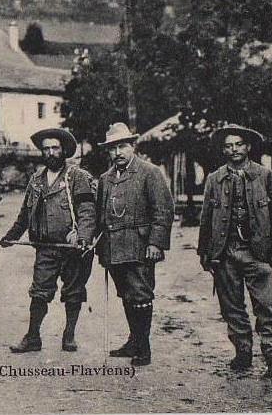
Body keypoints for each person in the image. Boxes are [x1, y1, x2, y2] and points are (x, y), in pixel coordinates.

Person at [198, 124, 272, 379]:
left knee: (265, 306)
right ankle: (243, 351)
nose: (233, 149)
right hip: (225, 252)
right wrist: (204, 252)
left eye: (238, 144)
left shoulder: (265, 176)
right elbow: (206, 218)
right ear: (223, 149)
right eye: (228, 145)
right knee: (232, 307)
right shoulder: (214, 179)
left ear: (248, 147)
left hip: (256, 253)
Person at [0, 128, 96, 353]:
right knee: (39, 292)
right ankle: (33, 337)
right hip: (45, 248)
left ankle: (69, 335)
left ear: (63, 150)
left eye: (55, 148)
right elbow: (25, 214)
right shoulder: (35, 181)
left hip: (73, 249)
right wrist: (11, 236)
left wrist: (82, 237)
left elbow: (87, 210)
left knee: (73, 292)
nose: (50, 153)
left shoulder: (77, 177)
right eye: (46, 149)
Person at [96, 123, 174, 366]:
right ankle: (134, 341)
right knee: (127, 296)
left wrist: (156, 243)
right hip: (113, 247)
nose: (117, 153)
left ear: (132, 147)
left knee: (140, 295)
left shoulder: (149, 172)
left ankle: (144, 347)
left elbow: (163, 210)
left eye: (122, 146)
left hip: (140, 247)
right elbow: (101, 213)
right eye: (112, 148)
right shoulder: (105, 178)